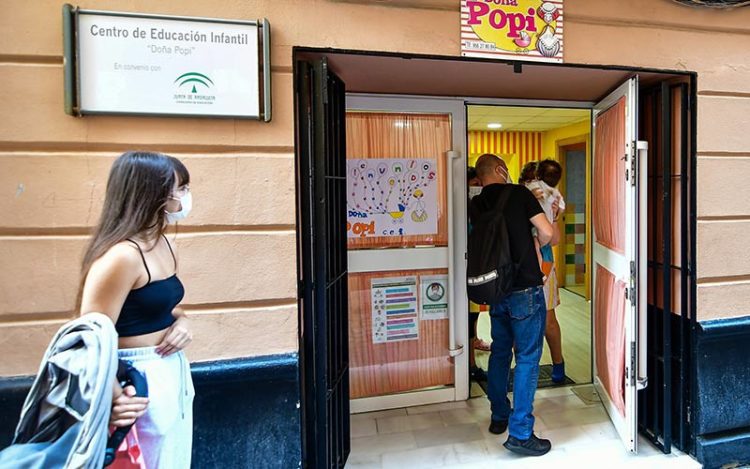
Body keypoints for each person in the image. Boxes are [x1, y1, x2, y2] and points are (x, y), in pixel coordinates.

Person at [78, 151, 195, 468]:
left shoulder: (161, 242)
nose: (186, 196)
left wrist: (183, 320)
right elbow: (90, 337)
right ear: (154, 194)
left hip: (170, 369)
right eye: (181, 188)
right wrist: (115, 397)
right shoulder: (121, 257)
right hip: (136, 378)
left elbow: (163, 306)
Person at [470, 153, 558, 456]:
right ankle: (521, 433)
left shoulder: (478, 202)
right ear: (501, 170)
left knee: (499, 351)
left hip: (496, 289)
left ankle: (499, 415)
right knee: (528, 359)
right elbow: (548, 232)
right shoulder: (519, 194)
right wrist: (538, 243)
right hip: (524, 289)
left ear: (481, 179)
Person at [529, 159, 566, 383]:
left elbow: (554, 238)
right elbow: (554, 237)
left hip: (538, 264)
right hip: (539, 263)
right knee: (543, 318)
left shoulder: (536, 194)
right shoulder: (555, 197)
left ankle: (551, 364)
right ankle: (555, 366)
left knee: (543, 319)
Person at [467, 167, 491, 383]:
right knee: (467, 318)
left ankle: (471, 361)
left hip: (475, 267)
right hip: (465, 267)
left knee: (472, 315)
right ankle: (470, 366)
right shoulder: (464, 207)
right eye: (474, 184)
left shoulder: (479, 207)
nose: (478, 188)